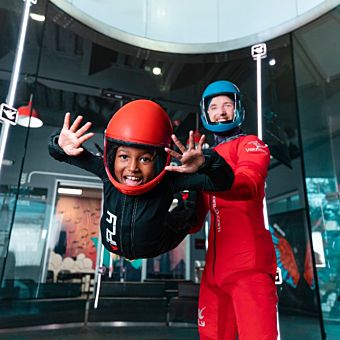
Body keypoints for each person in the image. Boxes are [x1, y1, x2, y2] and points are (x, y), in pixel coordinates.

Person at [48, 99, 234, 260]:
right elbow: (61, 154)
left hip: (158, 244)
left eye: (145, 159)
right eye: (124, 157)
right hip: (110, 243)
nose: (132, 168)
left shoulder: (169, 179)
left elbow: (223, 183)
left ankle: (190, 203)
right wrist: (59, 144)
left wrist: (207, 163)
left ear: (159, 161)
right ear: (113, 158)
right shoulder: (106, 171)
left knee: (187, 216)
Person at [192, 80, 278, 339]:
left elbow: (248, 184)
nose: (221, 111)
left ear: (238, 109)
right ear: (206, 113)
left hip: (248, 267)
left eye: (227, 105)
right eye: (214, 106)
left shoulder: (251, 144)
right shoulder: (203, 158)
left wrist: (206, 170)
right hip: (213, 273)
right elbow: (194, 221)